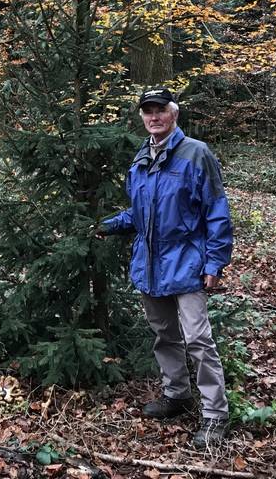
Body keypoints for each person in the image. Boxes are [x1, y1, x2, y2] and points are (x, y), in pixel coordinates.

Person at [98, 87, 234, 449]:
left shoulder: (195, 153)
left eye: (160, 110)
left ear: (174, 114)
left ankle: (215, 415)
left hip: (188, 262)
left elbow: (217, 212)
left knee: (199, 340)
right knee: (164, 336)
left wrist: (215, 262)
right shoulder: (142, 158)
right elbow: (140, 215)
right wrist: (106, 225)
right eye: (147, 111)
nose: (153, 117)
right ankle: (177, 395)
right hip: (150, 264)